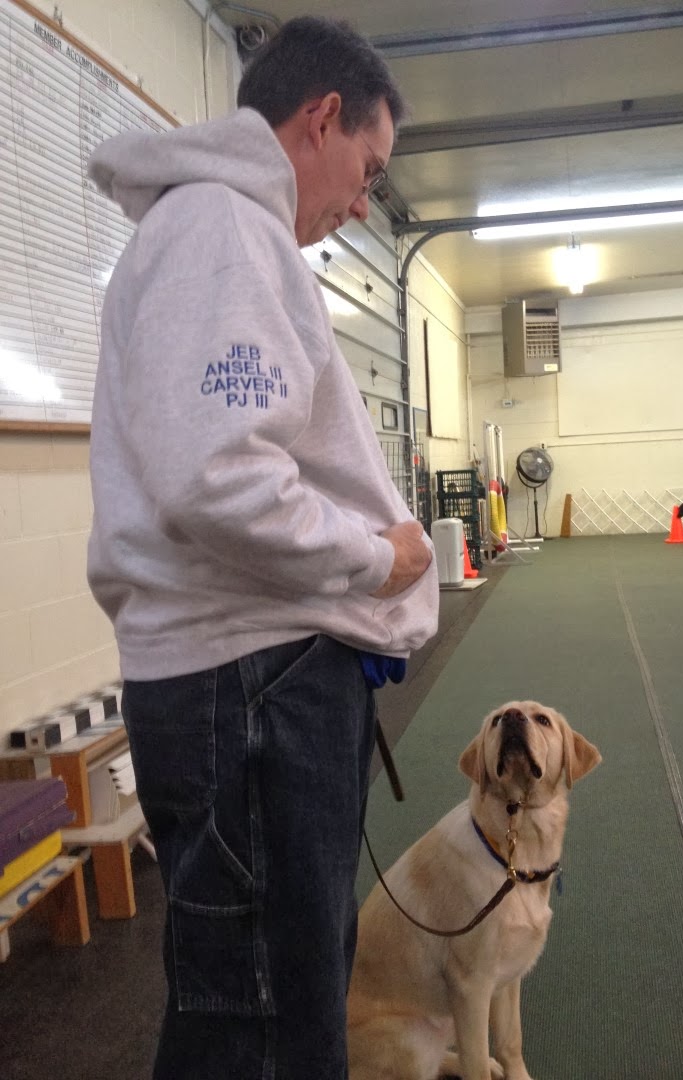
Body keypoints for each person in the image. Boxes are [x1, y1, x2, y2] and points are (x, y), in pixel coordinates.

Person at [86, 16, 438, 1080]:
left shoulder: (220, 234)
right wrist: (375, 558)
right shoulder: (222, 230)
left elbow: (217, 463)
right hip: (253, 685)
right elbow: (221, 476)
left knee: (264, 995)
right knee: (266, 1014)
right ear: (320, 118)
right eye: (368, 169)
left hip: (249, 678)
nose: (363, 204)